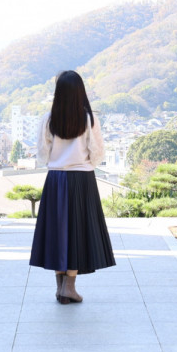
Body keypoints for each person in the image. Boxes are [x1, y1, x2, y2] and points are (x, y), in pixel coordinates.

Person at [29, 70, 116, 303]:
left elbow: (42, 153)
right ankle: (69, 287)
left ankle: (61, 289)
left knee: (57, 231)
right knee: (77, 231)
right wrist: (82, 161)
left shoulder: (48, 118)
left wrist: (58, 161)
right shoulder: (88, 118)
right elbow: (97, 153)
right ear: (80, 92)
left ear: (58, 92)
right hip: (82, 179)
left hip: (56, 179)